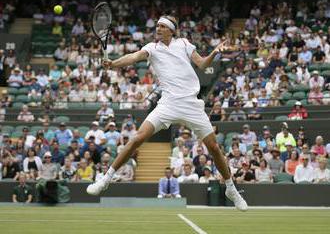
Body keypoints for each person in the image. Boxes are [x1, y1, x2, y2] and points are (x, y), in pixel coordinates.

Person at [86, 15, 247, 211]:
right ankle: (106, 179)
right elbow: (134, 56)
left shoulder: (184, 44)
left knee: (213, 147)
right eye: (157, 26)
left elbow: (203, 64)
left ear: (172, 30)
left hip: (191, 104)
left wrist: (214, 52)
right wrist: (113, 64)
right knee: (137, 138)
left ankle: (231, 188)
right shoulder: (151, 48)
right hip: (168, 104)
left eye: (163, 26)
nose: (158, 29)